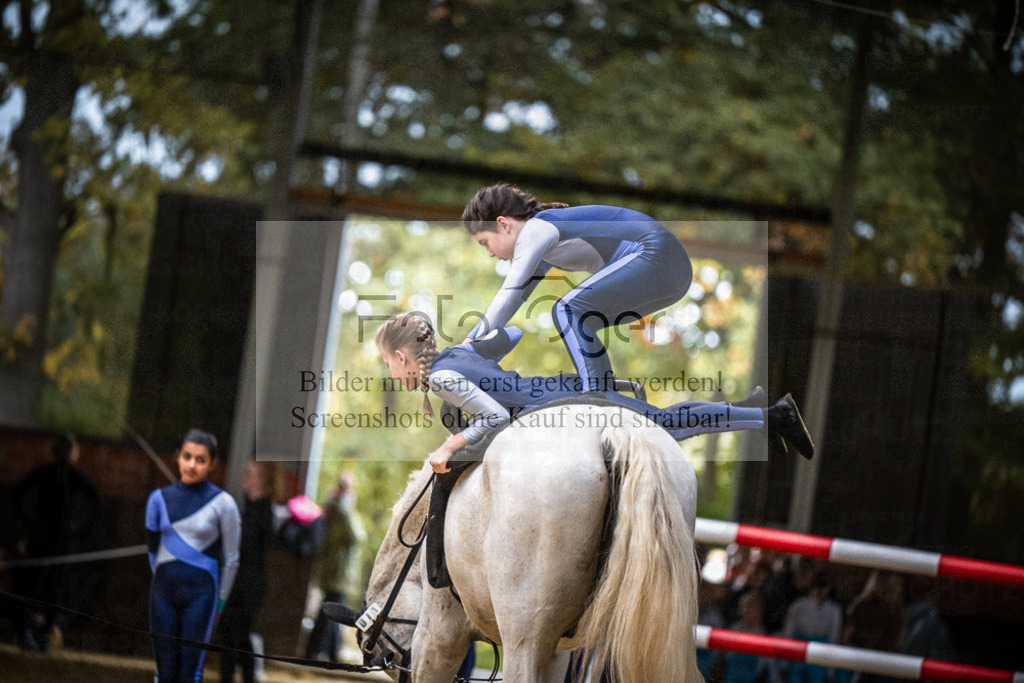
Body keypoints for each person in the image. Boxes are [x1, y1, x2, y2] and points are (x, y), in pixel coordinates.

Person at [375, 311, 814, 474]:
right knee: (664, 422)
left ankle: (770, 416)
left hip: (561, 407)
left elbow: (494, 419)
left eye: (389, 365)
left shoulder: (442, 378)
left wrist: (449, 447)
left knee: (665, 427)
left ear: (400, 355)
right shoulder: (458, 353)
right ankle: (752, 411)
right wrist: (478, 341)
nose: (393, 375)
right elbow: (510, 333)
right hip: (555, 392)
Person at [461, 183, 693, 395]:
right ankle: (603, 390)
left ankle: (597, 394)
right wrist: (473, 343)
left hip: (657, 254)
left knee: (567, 310)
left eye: (485, 242)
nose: (490, 253)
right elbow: (515, 301)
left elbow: (509, 291)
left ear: (503, 224)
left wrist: (466, 346)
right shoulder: (544, 244)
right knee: (582, 320)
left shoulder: (536, 229)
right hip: (675, 274)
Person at [146, 429, 240, 683]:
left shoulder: (224, 503)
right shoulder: (157, 500)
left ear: (213, 464)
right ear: (177, 457)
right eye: (187, 456)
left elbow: (231, 559)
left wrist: (220, 602)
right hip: (163, 594)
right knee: (164, 672)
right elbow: (153, 552)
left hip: (201, 596)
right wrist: (161, 583)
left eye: (201, 459)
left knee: (189, 673)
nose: (192, 465)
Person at [12, 433, 98, 652]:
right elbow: (95, 503)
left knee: (36, 585)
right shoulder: (70, 475)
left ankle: (33, 634)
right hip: (55, 539)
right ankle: (37, 635)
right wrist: (79, 531)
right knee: (50, 587)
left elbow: (17, 494)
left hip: (46, 537)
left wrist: (29, 523)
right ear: (71, 452)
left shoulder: (55, 474)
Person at [219, 461, 280, 683]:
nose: (244, 476)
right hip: (235, 582)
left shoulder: (264, 513)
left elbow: (246, 545)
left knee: (240, 637)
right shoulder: (246, 509)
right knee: (228, 636)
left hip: (249, 585)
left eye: (250, 473)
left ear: (261, 480)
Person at [305, 471, 365, 662]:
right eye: (341, 486)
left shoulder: (345, 513)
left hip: (340, 575)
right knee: (329, 614)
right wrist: (340, 505)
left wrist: (344, 507)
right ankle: (316, 653)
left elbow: (357, 537)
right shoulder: (335, 511)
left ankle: (329, 653)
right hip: (332, 574)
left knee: (333, 615)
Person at [780, 571, 842, 683]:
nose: (821, 589)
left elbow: (833, 639)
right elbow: (788, 634)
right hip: (797, 654)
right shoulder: (798, 606)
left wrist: (830, 672)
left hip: (820, 657)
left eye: (825, 585)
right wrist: (784, 664)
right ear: (812, 585)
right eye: (819, 584)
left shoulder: (834, 611)